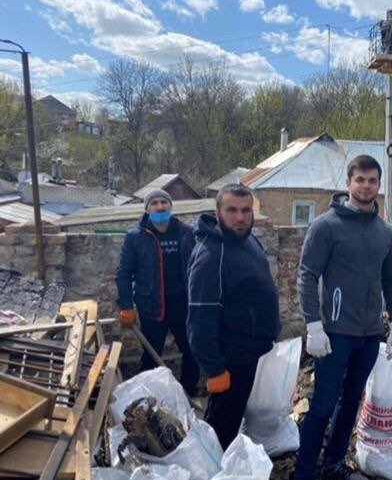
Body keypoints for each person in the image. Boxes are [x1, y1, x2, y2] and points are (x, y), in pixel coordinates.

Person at [292, 154, 392, 480]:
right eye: (360, 180)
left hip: (369, 334)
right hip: (334, 334)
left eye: (373, 181)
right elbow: (307, 275)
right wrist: (313, 325)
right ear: (349, 182)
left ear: (378, 184)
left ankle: (334, 464)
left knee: (352, 400)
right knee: (322, 404)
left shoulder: (386, 232)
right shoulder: (326, 226)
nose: (367, 186)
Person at [186, 184, 281, 450]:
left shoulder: (250, 241)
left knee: (237, 420)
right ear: (218, 213)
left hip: (253, 352)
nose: (240, 217)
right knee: (220, 428)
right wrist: (214, 369)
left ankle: (229, 467)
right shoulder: (210, 256)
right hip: (230, 360)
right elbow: (199, 319)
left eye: (246, 210)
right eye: (232, 210)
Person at [116, 188, 199, 397]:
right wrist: (126, 306)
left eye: (164, 202)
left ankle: (187, 393)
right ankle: (148, 396)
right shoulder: (136, 237)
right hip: (152, 306)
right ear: (147, 209)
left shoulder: (186, 233)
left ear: (171, 206)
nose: (160, 207)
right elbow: (124, 273)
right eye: (154, 203)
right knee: (151, 354)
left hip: (183, 305)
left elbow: (199, 268)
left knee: (192, 351)